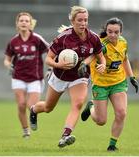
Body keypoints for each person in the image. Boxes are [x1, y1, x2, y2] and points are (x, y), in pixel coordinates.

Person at [29, 6, 106, 148]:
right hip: (59, 76)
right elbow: (48, 59)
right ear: (72, 21)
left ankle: (65, 135)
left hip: (79, 77)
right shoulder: (63, 38)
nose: (83, 23)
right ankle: (34, 110)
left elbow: (99, 55)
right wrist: (58, 65)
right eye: (80, 20)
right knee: (48, 107)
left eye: (85, 20)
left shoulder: (93, 38)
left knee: (77, 104)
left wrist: (102, 65)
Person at [81, 17, 138, 151]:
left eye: (116, 32)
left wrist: (132, 77)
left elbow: (125, 59)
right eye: (110, 31)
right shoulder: (102, 44)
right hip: (100, 84)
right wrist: (84, 64)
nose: (112, 35)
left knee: (121, 113)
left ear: (121, 32)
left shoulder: (123, 43)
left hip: (118, 82)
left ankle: (112, 145)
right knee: (101, 121)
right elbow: (93, 56)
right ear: (105, 31)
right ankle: (91, 107)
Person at [4, 12, 49, 138]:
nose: (24, 22)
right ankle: (25, 131)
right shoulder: (13, 41)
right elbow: (7, 59)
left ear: (30, 24)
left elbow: (50, 51)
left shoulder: (37, 39)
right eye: (21, 20)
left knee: (31, 106)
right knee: (21, 104)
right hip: (18, 77)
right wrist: (9, 65)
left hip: (35, 78)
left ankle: (33, 116)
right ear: (17, 24)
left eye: (26, 21)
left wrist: (51, 67)